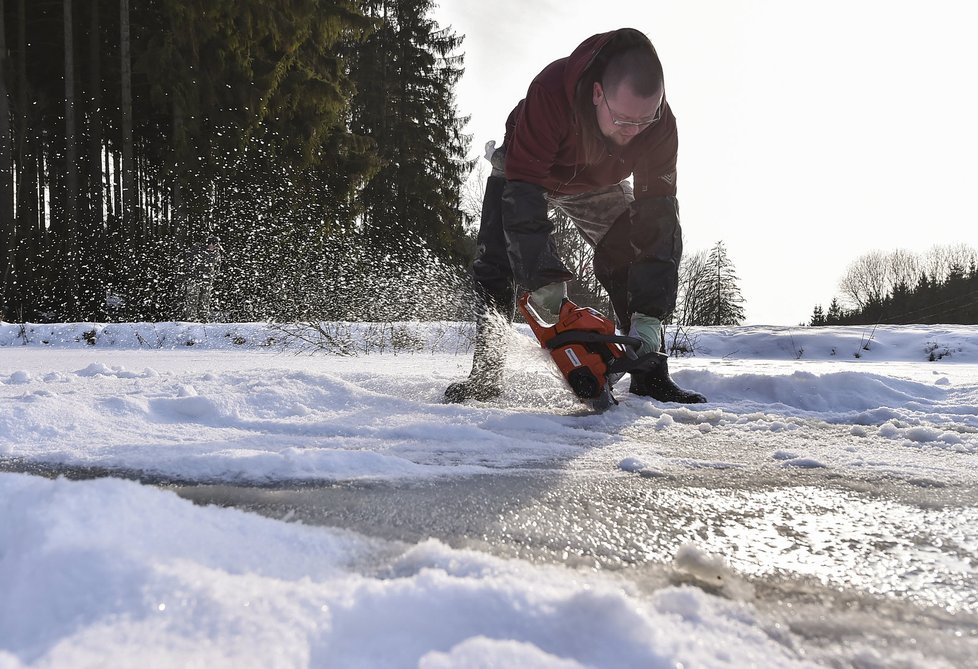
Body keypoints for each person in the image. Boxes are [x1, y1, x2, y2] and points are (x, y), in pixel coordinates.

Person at [445, 28, 706, 404]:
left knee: (630, 252)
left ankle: (649, 373)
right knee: (496, 264)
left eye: (643, 122)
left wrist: (649, 314)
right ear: (598, 93)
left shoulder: (660, 126)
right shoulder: (551, 92)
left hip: (598, 182)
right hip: (528, 174)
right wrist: (542, 276)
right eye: (622, 120)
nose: (632, 132)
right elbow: (525, 193)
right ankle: (485, 376)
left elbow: (658, 218)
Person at [183, 234, 222, 322]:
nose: (213, 246)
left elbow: (217, 266)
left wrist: (213, 275)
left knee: (205, 299)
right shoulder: (197, 251)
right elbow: (189, 264)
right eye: (211, 243)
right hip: (194, 279)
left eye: (215, 244)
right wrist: (193, 275)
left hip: (208, 279)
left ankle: (204, 318)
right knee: (193, 298)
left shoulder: (216, 253)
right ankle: (191, 318)